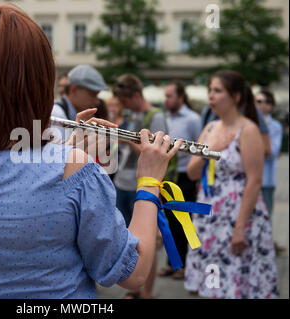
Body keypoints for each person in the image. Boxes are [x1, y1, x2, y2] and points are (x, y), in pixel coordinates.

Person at [0, 2, 182, 299]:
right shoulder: (73, 168)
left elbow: (6, 190)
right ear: (39, 83)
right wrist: (149, 182)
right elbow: (133, 273)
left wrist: (64, 155)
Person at [185, 70, 279, 299]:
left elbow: (255, 180)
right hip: (209, 212)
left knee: (239, 275)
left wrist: (240, 228)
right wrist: (207, 150)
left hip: (239, 213)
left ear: (235, 96)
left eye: (217, 91)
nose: (211, 96)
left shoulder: (248, 130)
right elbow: (192, 172)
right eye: (210, 91)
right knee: (213, 276)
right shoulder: (209, 128)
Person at [111, 74, 169, 299]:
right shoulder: (133, 115)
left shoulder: (156, 117)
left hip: (143, 185)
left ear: (135, 95)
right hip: (122, 182)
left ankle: (146, 292)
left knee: (147, 241)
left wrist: (126, 141)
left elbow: (154, 155)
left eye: (125, 101)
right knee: (128, 238)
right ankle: (134, 288)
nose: (123, 106)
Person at [159, 80, 202, 280]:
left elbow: (201, 149)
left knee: (183, 223)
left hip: (185, 176)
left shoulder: (193, 119)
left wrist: (197, 178)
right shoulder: (164, 117)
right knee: (168, 222)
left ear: (180, 97)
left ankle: (185, 265)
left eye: (169, 96)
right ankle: (172, 263)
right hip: (168, 175)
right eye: (165, 96)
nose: (166, 100)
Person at [51, 64, 108, 142]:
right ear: (73, 90)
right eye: (92, 94)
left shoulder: (63, 113)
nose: (97, 101)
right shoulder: (57, 114)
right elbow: (58, 153)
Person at [255, 90, 283, 219]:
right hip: (247, 179)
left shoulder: (275, 126)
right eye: (255, 101)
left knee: (265, 217)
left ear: (270, 106)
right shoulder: (249, 123)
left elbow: (273, 151)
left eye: (260, 102)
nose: (256, 104)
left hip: (265, 180)